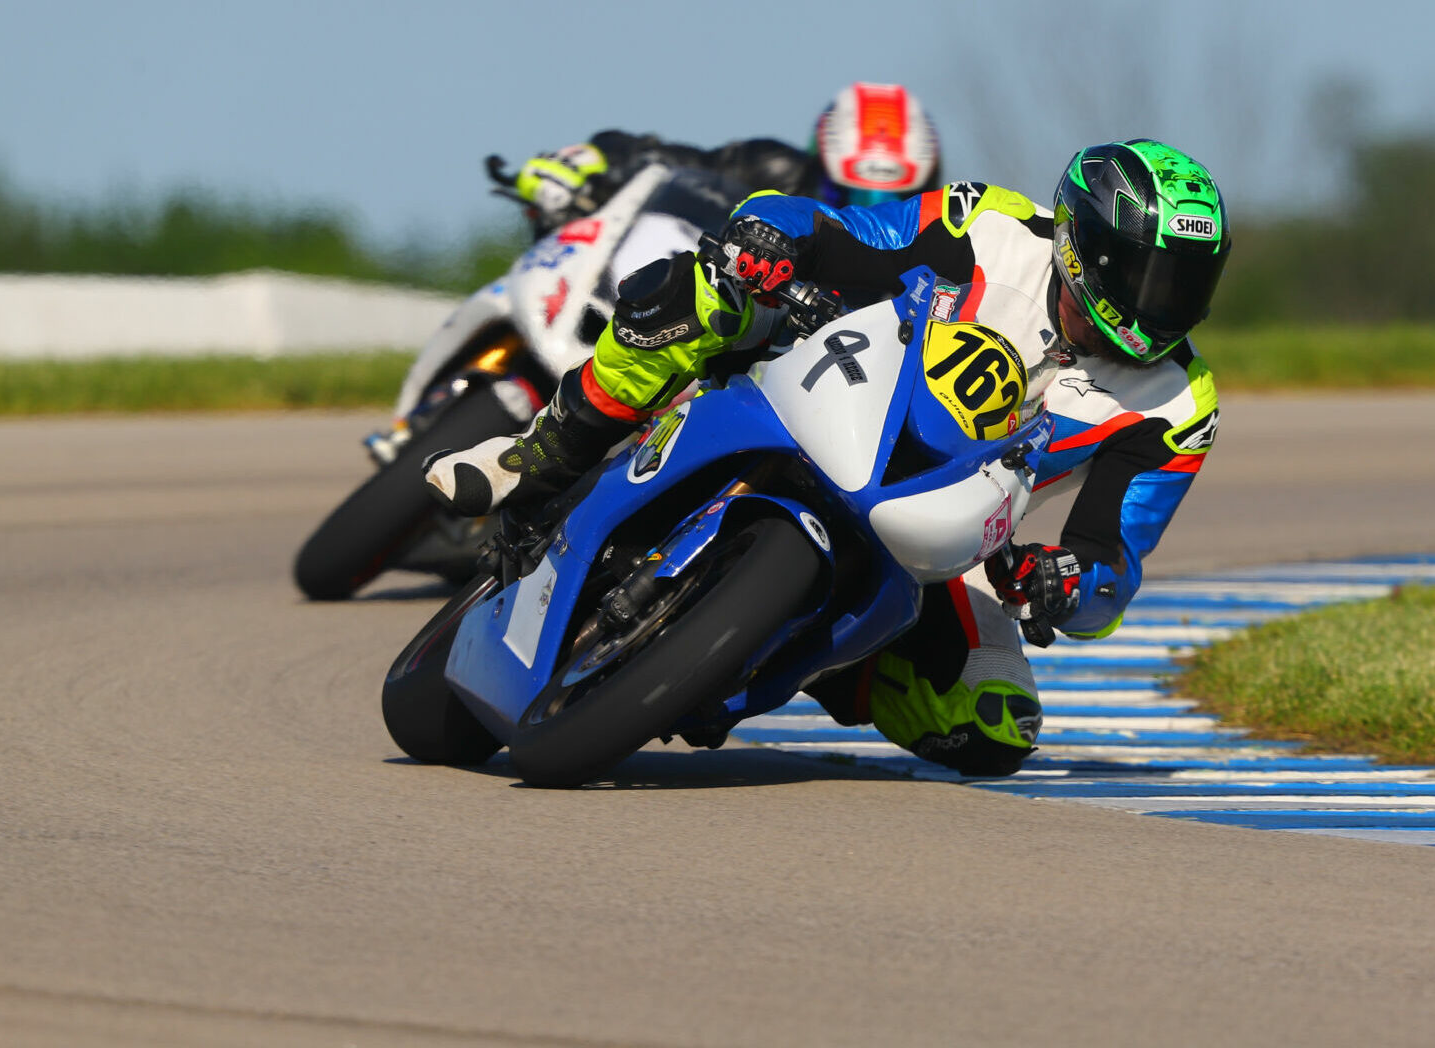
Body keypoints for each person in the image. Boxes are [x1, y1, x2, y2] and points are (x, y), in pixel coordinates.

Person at [427, 140, 1230, 776]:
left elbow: (1112, 558)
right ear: (1084, 246)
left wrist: (1066, 583)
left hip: (945, 523)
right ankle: (542, 451)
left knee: (993, 726)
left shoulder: (1178, 402)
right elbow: (848, 233)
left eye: (1186, 284)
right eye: (1147, 275)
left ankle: (796, 653)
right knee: (711, 286)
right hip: (826, 380)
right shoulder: (988, 224)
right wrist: (776, 234)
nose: (1162, 302)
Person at [510, 81, 942, 236]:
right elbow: (666, 159)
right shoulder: (772, 168)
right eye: (849, 196)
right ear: (821, 169)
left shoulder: (939, 255)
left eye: (895, 200)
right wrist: (596, 160)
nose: (868, 219)